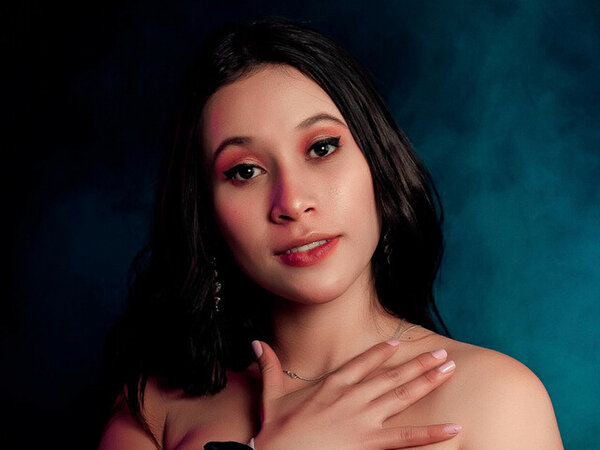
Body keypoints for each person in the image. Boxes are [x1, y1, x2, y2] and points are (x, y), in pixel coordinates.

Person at [99, 17, 563, 449]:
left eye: (322, 148)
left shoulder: (495, 397)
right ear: (205, 211)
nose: (292, 202)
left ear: (378, 162)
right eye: (245, 171)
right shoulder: (154, 409)